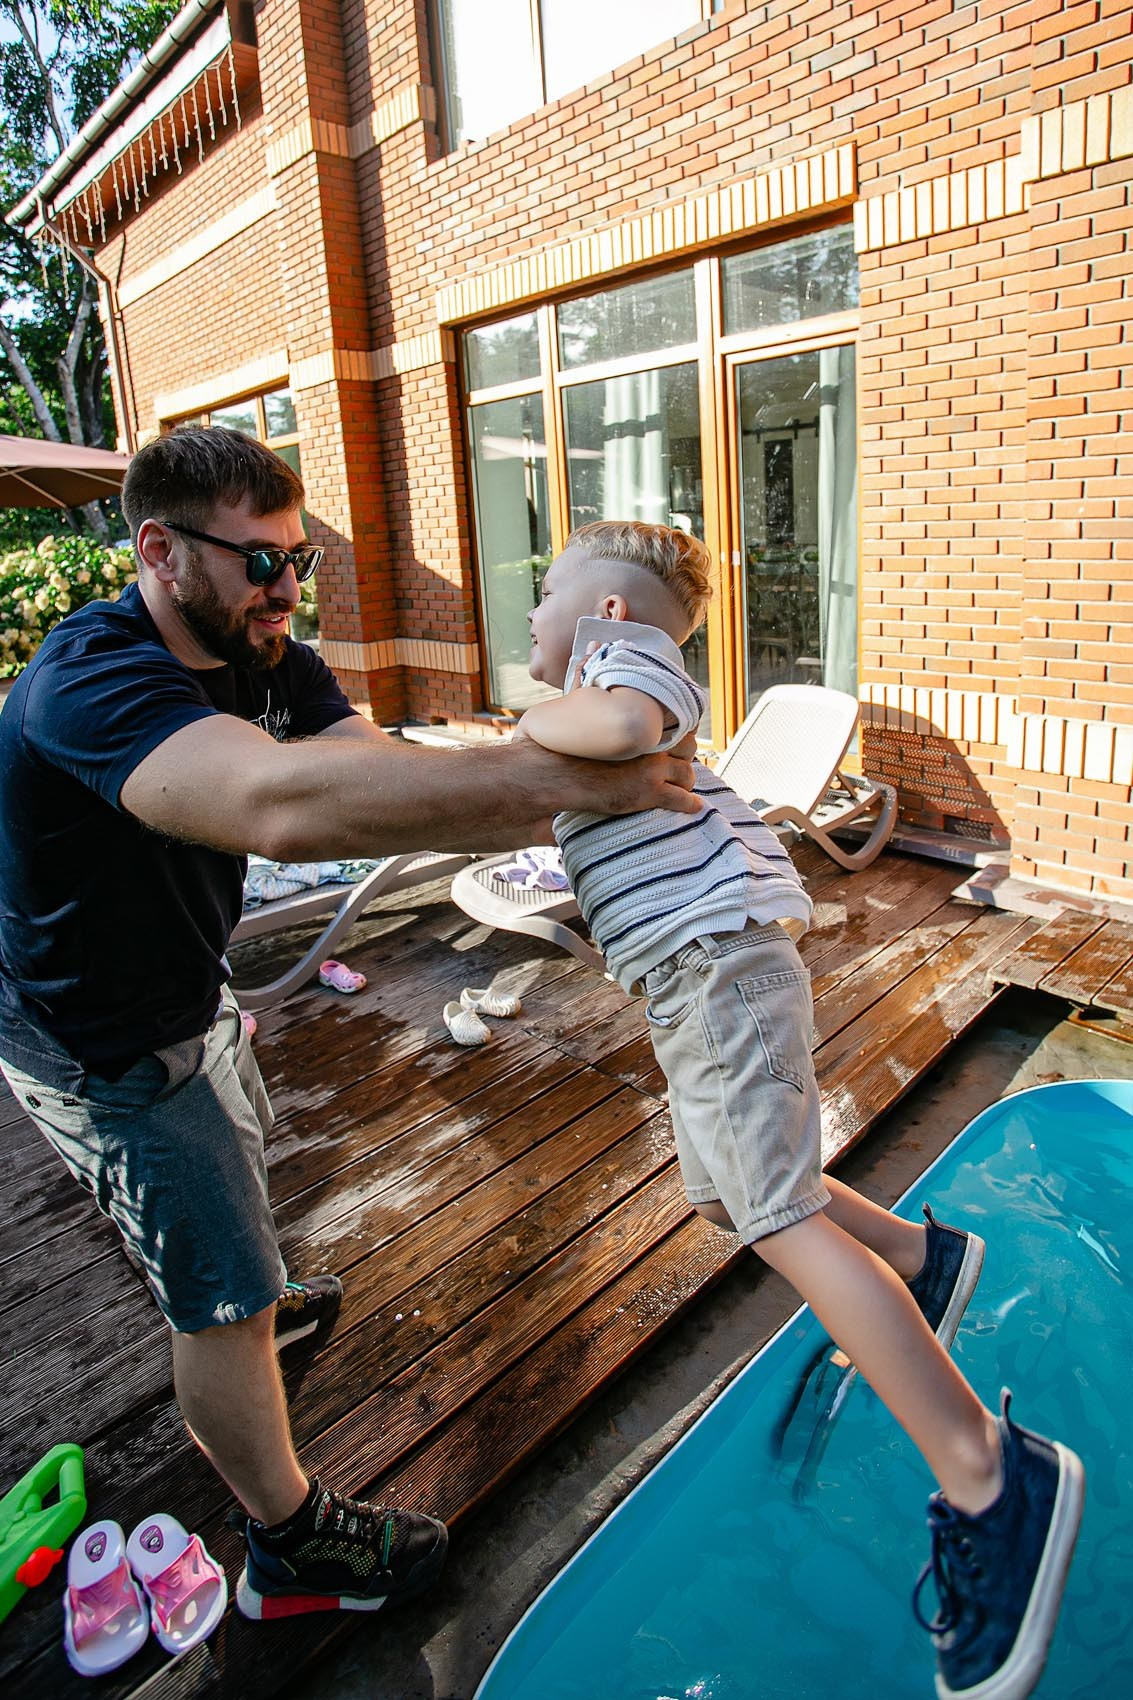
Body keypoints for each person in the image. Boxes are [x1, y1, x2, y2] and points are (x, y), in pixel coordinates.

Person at [0, 429, 702, 1624]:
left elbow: (368, 774)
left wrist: (558, 770)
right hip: (100, 1039)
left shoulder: (265, 652)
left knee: (239, 1188)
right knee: (213, 1292)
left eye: (296, 563)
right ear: (159, 550)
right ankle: (287, 1546)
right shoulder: (91, 678)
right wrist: (580, 784)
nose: (285, 590)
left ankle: (259, 1295)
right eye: (258, 562)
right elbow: (275, 805)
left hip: (188, 991)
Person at [514, 519, 1084, 1700]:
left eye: (547, 591)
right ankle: (923, 1257)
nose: (531, 610)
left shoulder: (621, 672)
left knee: (773, 1213)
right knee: (730, 1194)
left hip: (718, 971)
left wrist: (523, 730)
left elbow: (619, 728)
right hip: (696, 982)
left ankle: (992, 1469)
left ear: (608, 615)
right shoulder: (606, 671)